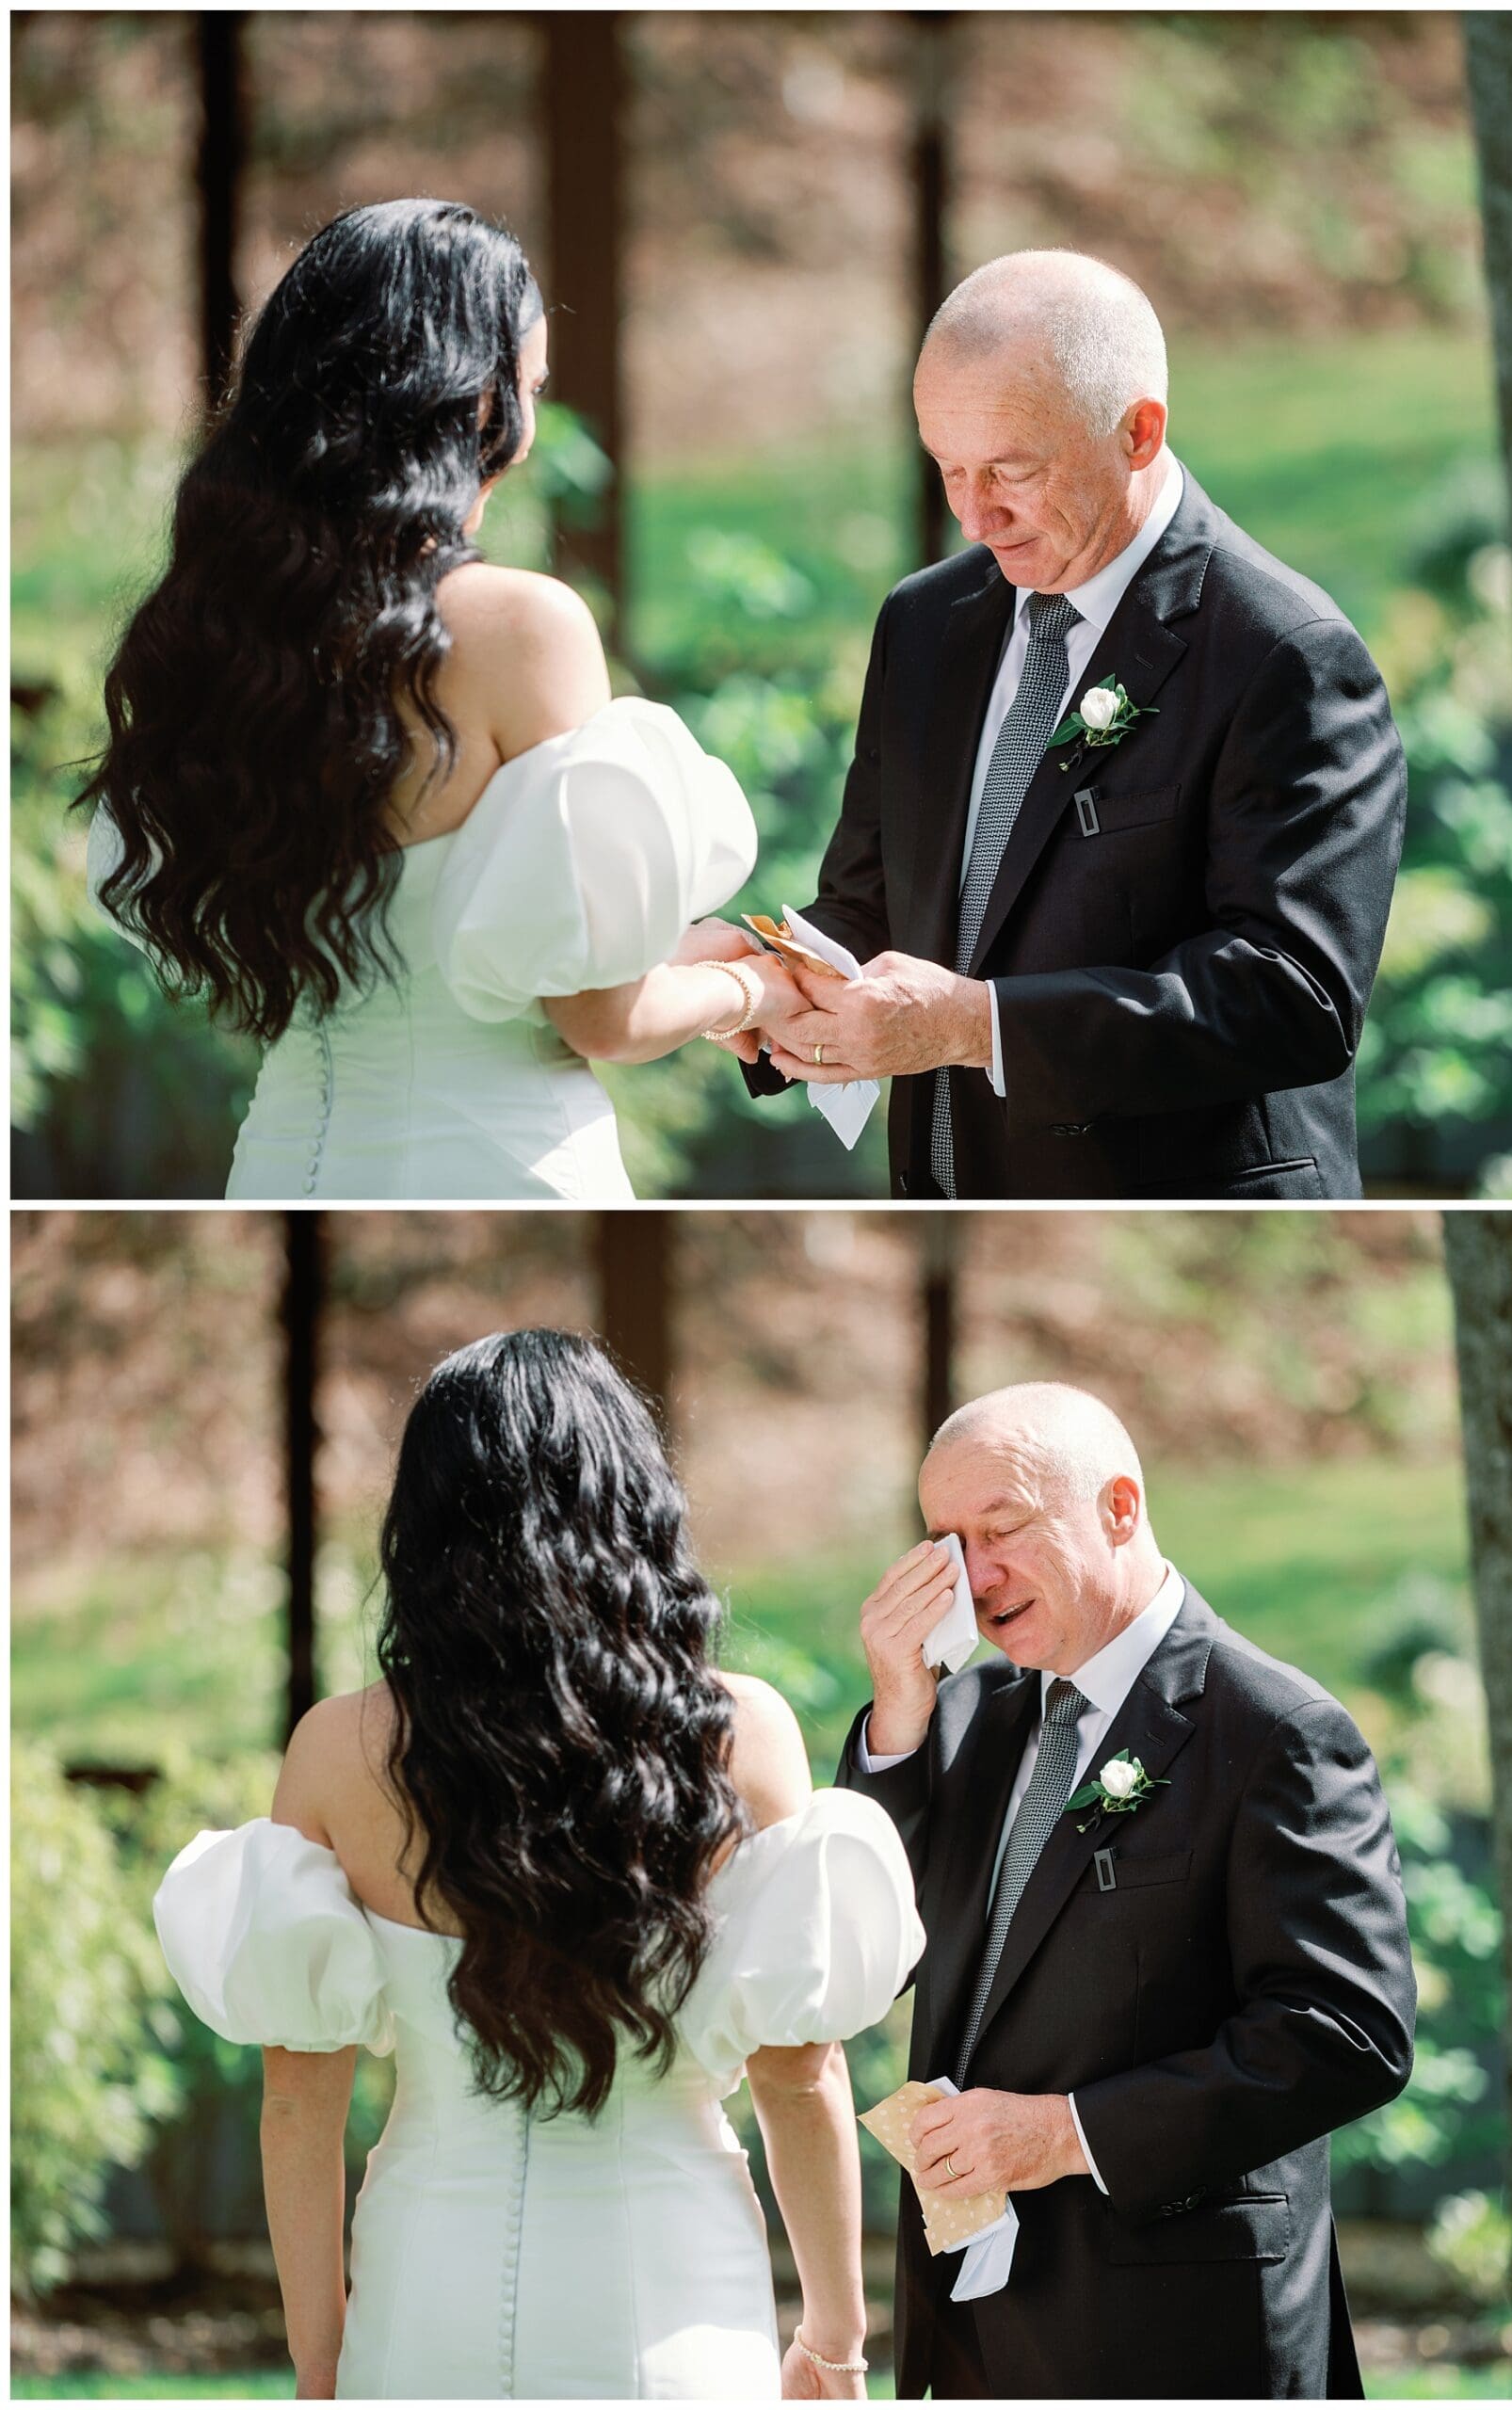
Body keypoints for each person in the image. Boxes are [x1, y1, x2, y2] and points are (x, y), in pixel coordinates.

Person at [154, 1330, 921, 2400]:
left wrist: (323, 2357)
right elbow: (800, 2072)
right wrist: (834, 2334)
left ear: (421, 1525)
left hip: (427, 2286)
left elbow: (299, 2102)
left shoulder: (340, 1749)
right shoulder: (741, 1734)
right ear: (634, 1505)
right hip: (669, 2285)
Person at [81, 200, 796, 1200]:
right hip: (502, 1160)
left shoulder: (210, 642)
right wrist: (752, 986)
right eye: (527, 387)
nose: (530, 427)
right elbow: (599, 1018)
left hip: (281, 1159)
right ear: (467, 402)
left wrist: (686, 955)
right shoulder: (517, 627)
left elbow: (435, 949)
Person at [734, 250, 1407, 1199]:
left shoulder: (1280, 651)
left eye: (1011, 470)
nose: (974, 515)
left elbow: (1292, 995)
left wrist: (979, 1025)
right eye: (947, 469)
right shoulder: (923, 624)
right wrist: (762, 974)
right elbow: (868, 900)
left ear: (1137, 432)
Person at [838, 1383, 1416, 2399]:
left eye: (1002, 1528)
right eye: (946, 1542)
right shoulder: (959, 1714)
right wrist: (896, 1712)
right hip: (968, 2334)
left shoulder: (1273, 1729)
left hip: (1179, 2336)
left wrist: (1063, 2134)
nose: (974, 1576)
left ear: (1117, 1507)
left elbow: (1344, 2032)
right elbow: (854, 1962)